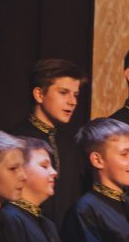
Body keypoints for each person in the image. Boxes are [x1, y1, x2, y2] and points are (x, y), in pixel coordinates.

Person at [11, 59, 83, 222]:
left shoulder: (71, 141)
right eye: (63, 93)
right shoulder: (15, 141)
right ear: (39, 94)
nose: (72, 101)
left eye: (75, 95)